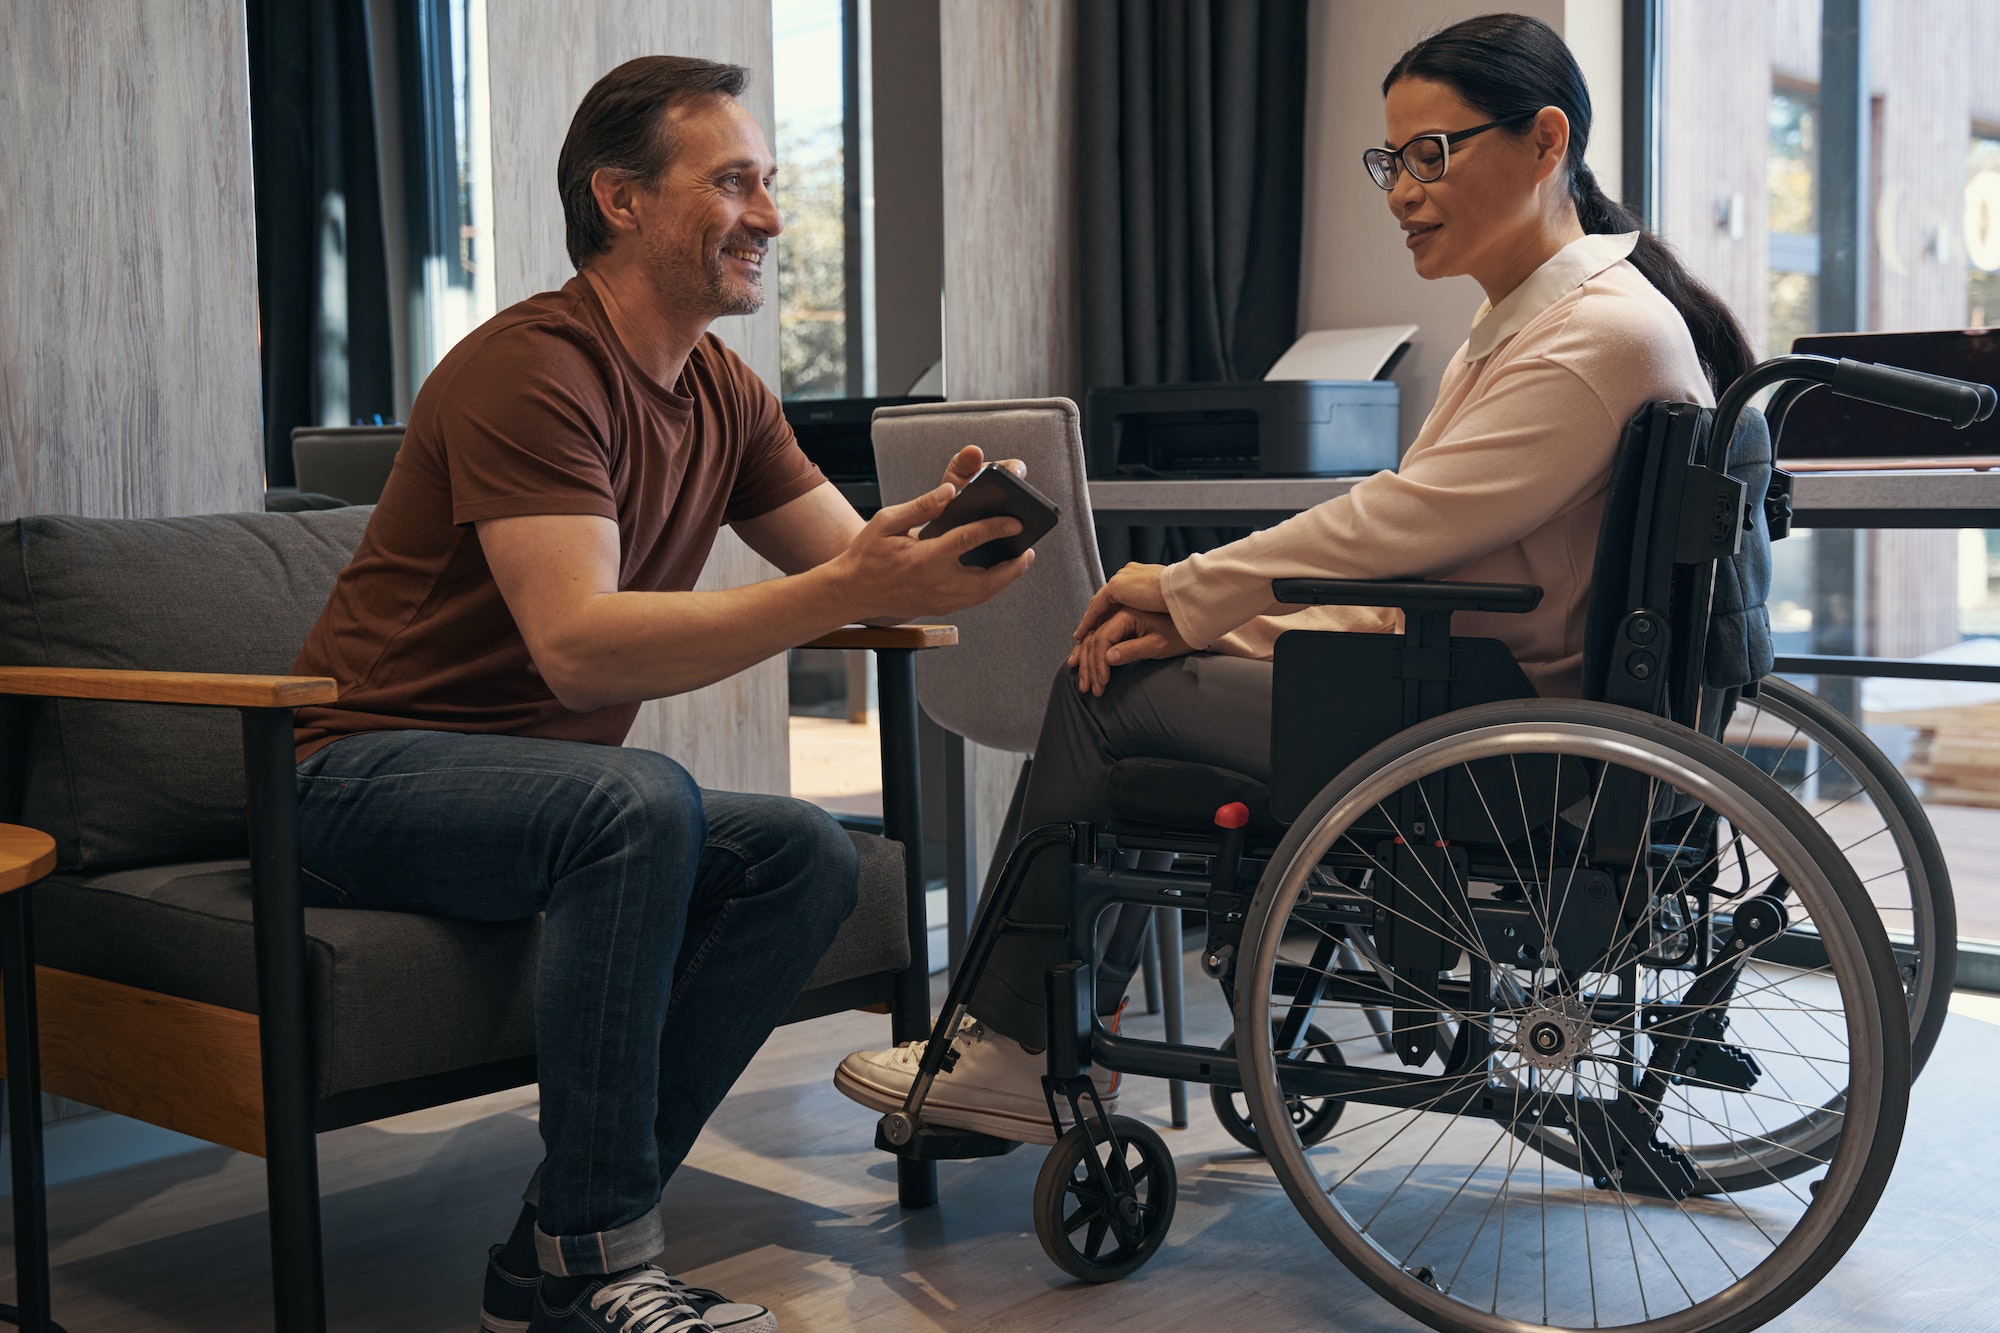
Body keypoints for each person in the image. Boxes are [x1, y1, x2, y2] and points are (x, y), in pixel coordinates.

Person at [835, 12, 1750, 1143]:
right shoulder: (1540, 321)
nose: (1402, 189)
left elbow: (1403, 524)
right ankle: (1047, 1032)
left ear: (1544, 140)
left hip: (1489, 731)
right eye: (1390, 160)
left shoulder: (1593, 334)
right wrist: (1217, 625)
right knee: (1137, 664)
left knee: (1103, 690)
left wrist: (1187, 592)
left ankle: (1019, 1045)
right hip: (1470, 692)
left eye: (1433, 153)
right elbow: (1427, 553)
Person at [290, 57, 1032, 1333]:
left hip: (540, 795)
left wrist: (925, 547)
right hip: (358, 775)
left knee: (804, 852)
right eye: (733, 182)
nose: (771, 216)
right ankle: (596, 1263)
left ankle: (551, 1246)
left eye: (771, 183)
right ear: (619, 200)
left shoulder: (723, 390)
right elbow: (577, 649)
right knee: (636, 803)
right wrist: (849, 582)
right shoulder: (531, 370)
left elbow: (848, 574)